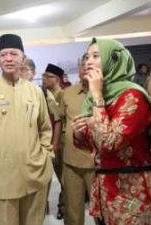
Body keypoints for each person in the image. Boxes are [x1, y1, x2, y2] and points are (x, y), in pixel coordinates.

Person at [72, 38, 151, 225]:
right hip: (104, 188)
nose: (88, 61)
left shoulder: (133, 96)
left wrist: (97, 96)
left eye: (96, 56)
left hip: (131, 191)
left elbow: (108, 143)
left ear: (113, 60)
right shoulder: (98, 95)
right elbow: (92, 146)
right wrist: (80, 132)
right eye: (87, 56)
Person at [0, 33, 53, 225]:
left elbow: (45, 128)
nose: (8, 58)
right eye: (3, 54)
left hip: (35, 176)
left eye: (13, 54)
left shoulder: (35, 91)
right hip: (3, 180)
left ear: (23, 58)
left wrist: (46, 156)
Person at [21, 57, 63, 215]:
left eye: (25, 69)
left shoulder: (44, 93)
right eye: (20, 69)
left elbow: (57, 121)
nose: (21, 72)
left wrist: (53, 148)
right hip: (22, 152)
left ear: (33, 73)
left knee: (41, 192)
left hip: (41, 150)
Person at [61, 55, 96, 225]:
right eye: (81, 65)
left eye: (88, 65)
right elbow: (59, 121)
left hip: (96, 163)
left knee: (101, 210)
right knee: (72, 210)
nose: (84, 68)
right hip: (71, 161)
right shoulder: (67, 93)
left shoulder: (105, 92)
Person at [42, 63, 65, 219]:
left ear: (56, 79)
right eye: (44, 76)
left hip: (60, 141)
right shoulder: (45, 94)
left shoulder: (61, 95)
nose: (44, 79)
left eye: (47, 76)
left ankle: (63, 206)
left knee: (64, 178)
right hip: (47, 142)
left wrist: (55, 145)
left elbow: (59, 120)